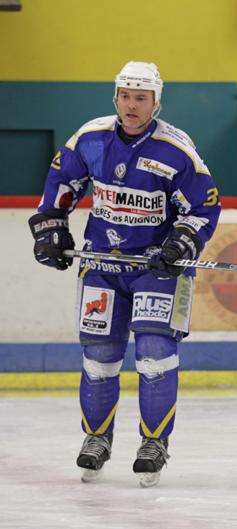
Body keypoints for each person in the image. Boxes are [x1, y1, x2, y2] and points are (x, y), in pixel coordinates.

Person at [27, 61, 220, 487]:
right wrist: (51, 227)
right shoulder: (90, 138)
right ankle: (97, 438)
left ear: (156, 102)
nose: (132, 105)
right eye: (126, 96)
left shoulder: (175, 149)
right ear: (116, 97)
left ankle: (154, 442)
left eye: (141, 98)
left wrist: (182, 242)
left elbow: (204, 207)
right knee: (99, 358)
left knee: (154, 354)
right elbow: (61, 185)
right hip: (102, 264)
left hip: (158, 269)